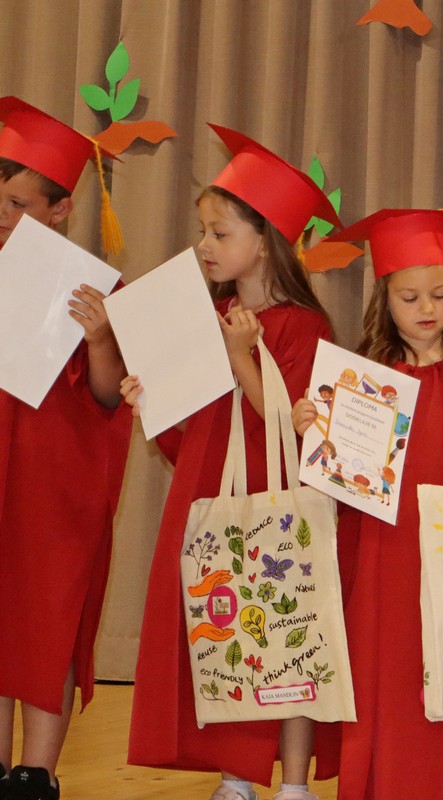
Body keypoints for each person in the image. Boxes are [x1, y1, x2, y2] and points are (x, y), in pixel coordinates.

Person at [124, 125, 341, 800]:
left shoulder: (304, 325)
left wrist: (243, 357)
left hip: (278, 504)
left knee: (290, 635)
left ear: (265, 240)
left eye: (220, 233)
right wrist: (152, 403)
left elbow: (290, 427)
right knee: (228, 630)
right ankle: (237, 776)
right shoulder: (212, 315)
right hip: (213, 491)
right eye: (204, 232)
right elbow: (196, 432)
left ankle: (294, 784)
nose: (205, 246)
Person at [291, 208, 443, 800]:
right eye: (409, 297)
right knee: (393, 682)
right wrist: (312, 428)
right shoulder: (364, 382)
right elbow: (337, 485)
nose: (427, 309)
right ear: (385, 300)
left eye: (439, 295)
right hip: (389, 561)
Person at [0, 96, 130, 800]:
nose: (2, 215)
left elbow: (109, 396)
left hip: (56, 483)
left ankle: (36, 772)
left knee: (47, 617)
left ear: (60, 209)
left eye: (18, 203)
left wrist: (101, 336)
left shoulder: (91, 287)